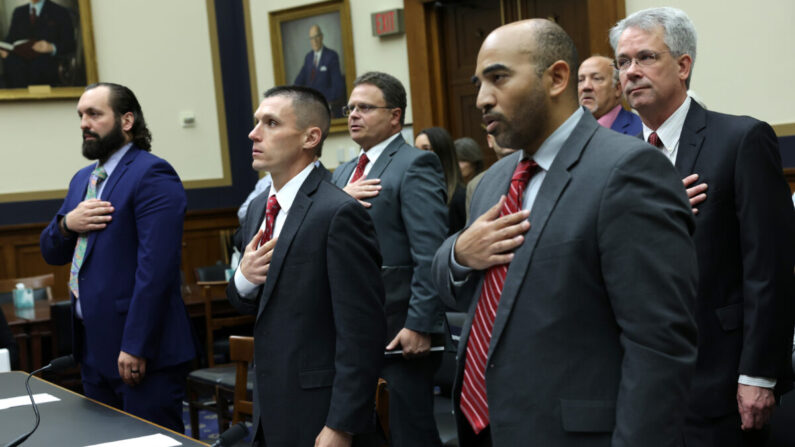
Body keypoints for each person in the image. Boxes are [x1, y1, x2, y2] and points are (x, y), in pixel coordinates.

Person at [432, 19, 699, 446]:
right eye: (479, 82)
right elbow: (468, 296)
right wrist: (458, 255)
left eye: (498, 78)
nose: (482, 98)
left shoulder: (628, 169)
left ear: (557, 78)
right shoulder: (491, 183)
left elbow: (658, 347)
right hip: (485, 428)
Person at [611, 7, 795, 445]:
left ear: (683, 64)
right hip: (632, 382)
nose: (631, 72)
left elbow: (768, 268)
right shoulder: (613, 159)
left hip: (719, 378)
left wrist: (758, 374)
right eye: (622, 62)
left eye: (645, 58)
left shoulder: (740, 140)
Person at [228, 85, 385, 446]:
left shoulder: (338, 212)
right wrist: (243, 279)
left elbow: (362, 332)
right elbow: (248, 303)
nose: (254, 133)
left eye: (270, 123)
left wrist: (342, 424)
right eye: (256, 122)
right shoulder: (256, 209)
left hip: (321, 410)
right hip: (271, 402)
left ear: (310, 137)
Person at [39, 82, 196, 432]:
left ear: (126, 121)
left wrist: (136, 345)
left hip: (141, 351)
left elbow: (156, 269)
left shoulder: (152, 173)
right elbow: (51, 252)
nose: (83, 123)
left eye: (94, 114)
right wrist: (67, 224)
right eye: (81, 115)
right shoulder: (84, 180)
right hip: (93, 349)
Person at [332, 71, 448, 447]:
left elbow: (429, 251)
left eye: (365, 108)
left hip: (400, 330)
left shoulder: (415, 164)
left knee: (406, 434)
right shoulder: (342, 174)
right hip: (354, 329)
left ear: (395, 116)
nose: (353, 115)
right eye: (350, 108)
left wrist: (421, 322)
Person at [0, 0, 76, 88]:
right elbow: (10, 39)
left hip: (45, 65)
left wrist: (51, 47)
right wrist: (3, 50)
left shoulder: (59, 11)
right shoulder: (19, 12)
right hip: (17, 65)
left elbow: (70, 44)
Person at [236, 158, 329, 223]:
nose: (252, 135)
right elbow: (243, 213)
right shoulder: (265, 184)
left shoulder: (330, 185)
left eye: (273, 128)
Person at [415, 127, 466, 235]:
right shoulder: (415, 192)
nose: (417, 155)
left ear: (442, 152)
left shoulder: (460, 196)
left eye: (426, 149)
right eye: (416, 149)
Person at [577, 55, 641, 135]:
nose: (585, 86)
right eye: (580, 80)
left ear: (618, 89)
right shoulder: (570, 130)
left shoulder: (640, 130)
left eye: (596, 78)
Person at [294, 25, 346, 118]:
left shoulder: (331, 56)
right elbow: (298, 82)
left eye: (316, 37)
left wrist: (320, 100)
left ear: (321, 37)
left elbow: (338, 88)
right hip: (309, 108)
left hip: (326, 106)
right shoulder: (308, 58)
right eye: (311, 38)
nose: (314, 41)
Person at [465, 134, 517, 220]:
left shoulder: (535, 171)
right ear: (490, 141)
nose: (505, 137)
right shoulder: (476, 184)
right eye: (498, 133)